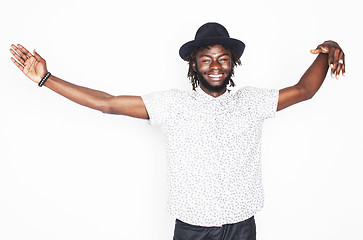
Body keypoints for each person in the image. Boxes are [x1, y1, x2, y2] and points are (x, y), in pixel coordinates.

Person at [10, 22, 345, 240]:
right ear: (194, 65)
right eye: (206, 59)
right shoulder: (172, 106)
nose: (215, 66)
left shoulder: (252, 102)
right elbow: (108, 103)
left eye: (223, 58)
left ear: (233, 63)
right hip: (192, 231)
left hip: (242, 228)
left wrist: (327, 48)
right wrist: (45, 78)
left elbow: (304, 90)